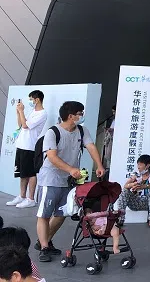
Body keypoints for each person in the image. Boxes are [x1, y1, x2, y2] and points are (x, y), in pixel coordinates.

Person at [35, 101, 104, 263]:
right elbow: (52, 157)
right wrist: (70, 169)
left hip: (68, 181)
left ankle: (45, 241)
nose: (82, 116)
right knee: (44, 214)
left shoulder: (82, 130)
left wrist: (99, 165)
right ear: (71, 116)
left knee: (62, 214)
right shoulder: (53, 132)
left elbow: (91, 147)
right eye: (80, 113)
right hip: (50, 179)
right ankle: (44, 248)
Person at [7, 91, 47, 209]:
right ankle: (22, 196)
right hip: (21, 145)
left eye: (31, 99)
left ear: (37, 99)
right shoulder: (32, 111)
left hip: (30, 146)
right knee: (22, 172)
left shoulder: (42, 114)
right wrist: (18, 112)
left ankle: (31, 199)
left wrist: (21, 111)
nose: (30, 102)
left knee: (30, 172)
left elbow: (26, 126)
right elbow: (20, 125)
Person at [115, 154, 150, 227]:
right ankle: (120, 218)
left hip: (148, 203)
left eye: (140, 165)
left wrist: (144, 186)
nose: (138, 167)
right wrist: (133, 184)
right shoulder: (136, 174)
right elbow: (125, 186)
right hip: (136, 202)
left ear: (147, 166)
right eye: (138, 164)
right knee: (125, 191)